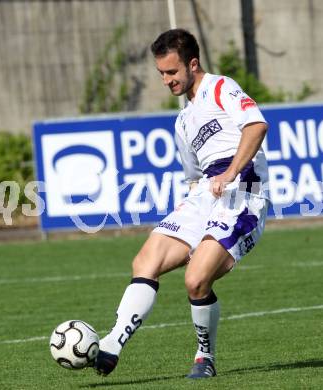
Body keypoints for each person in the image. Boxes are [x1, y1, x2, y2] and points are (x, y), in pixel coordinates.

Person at [93, 28, 269, 379]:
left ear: (192, 63)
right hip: (206, 192)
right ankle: (112, 343)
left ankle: (205, 358)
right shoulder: (183, 120)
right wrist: (193, 215)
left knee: (195, 280)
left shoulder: (221, 87)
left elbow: (256, 125)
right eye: (161, 73)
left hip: (242, 193)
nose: (166, 80)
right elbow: (195, 177)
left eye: (172, 72)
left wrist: (231, 172)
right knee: (145, 260)